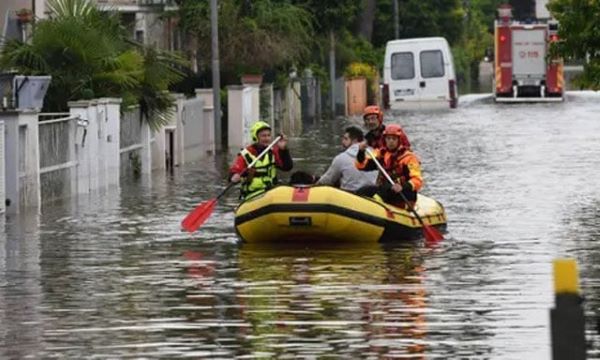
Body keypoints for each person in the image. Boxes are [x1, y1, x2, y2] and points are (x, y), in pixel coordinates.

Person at [355, 124, 422, 208]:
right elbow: (361, 166)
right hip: (385, 190)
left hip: (403, 193)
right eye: (388, 138)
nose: (391, 141)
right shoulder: (381, 154)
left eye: (394, 139)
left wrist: (402, 186)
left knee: (387, 188)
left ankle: (375, 205)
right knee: (364, 190)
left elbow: (417, 180)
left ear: (399, 140)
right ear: (384, 140)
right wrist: (361, 152)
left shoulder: (409, 158)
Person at [229, 121, 293, 200]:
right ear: (256, 137)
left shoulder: (273, 152)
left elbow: (287, 167)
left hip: (271, 192)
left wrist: (283, 149)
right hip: (252, 194)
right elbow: (233, 173)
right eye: (263, 136)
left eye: (268, 135)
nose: (267, 138)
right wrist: (234, 176)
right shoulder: (245, 154)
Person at [316, 126, 377, 192]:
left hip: (350, 196)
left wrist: (315, 185)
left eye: (345, 139)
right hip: (371, 196)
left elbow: (327, 180)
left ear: (355, 140)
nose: (342, 142)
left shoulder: (341, 158)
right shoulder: (374, 154)